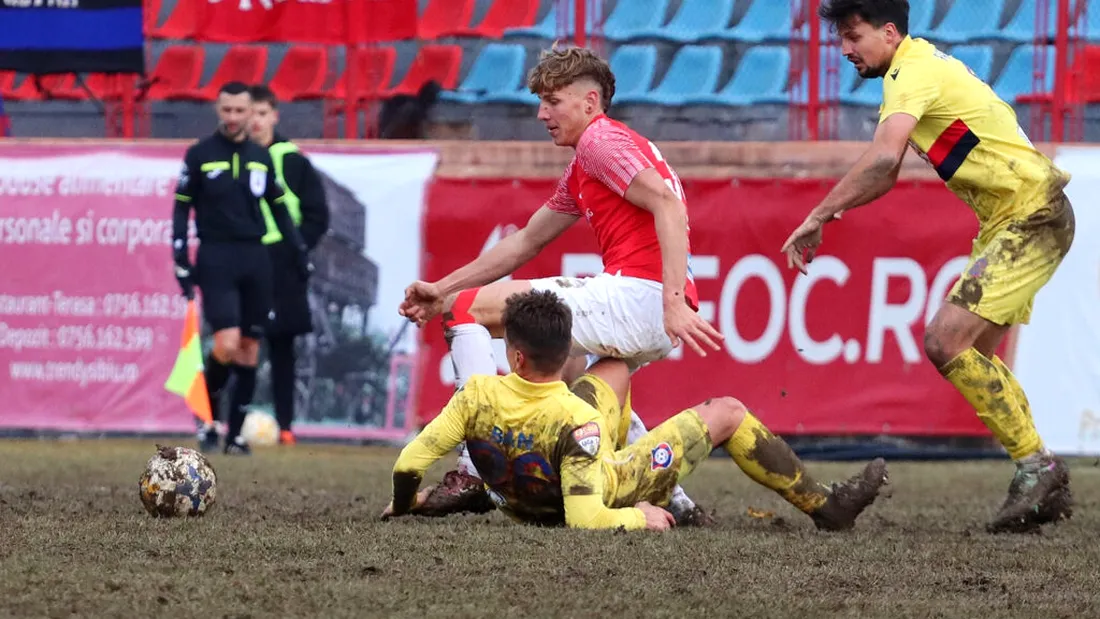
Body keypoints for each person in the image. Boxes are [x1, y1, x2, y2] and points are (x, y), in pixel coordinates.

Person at [780, 0, 1075, 533]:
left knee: (944, 341)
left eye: (853, 36)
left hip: (1031, 215)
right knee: (975, 357)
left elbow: (882, 160)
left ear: (889, 32)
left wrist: (819, 214)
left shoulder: (909, 72)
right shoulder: (918, 65)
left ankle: (1039, 467)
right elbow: (889, 170)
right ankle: (1037, 473)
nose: (844, 50)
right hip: (1015, 218)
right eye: (841, 38)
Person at [399, 47, 723, 525]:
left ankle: (472, 470)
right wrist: (440, 288)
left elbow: (668, 206)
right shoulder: (591, 160)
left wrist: (672, 301)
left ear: (590, 102)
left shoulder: (599, 142)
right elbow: (526, 241)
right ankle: (678, 505)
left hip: (642, 297)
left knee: (466, 311)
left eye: (552, 101)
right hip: (648, 302)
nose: (541, 114)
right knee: (576, 377)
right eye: (541, 102)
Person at [382, 290, 889, 531]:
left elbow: (407, 465)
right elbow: (584, 518)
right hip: (584, 492)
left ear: (514, 356)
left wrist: (405, 505)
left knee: (615, 367)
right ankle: (827, 508)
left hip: (516, 495)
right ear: (565, 352)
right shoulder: (578, 422)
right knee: (728, 412)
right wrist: (636, 516)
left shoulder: (474, 394)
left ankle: (672, 498)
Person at [172, 81, 311, 455]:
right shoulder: (200, 154)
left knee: (249, 348)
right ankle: (206, 417)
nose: (233, 117)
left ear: (251, 113)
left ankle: (233, 435)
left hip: (255, 257)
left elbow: (278, 207)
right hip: (216, 256)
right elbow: (181, 208)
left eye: (240, 111)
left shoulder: (260, 157)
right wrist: (180, 255)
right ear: (218, 110)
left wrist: (298, 251)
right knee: (226, 343)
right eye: (227, 110)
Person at [248, 84, 330, 446]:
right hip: (245, 258)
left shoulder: (292, 160)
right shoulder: (233, 158)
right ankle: (226, 422)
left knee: (282, 346)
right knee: (239, 343)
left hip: (282, 262)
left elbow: (317, 216)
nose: (255, 121)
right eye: (250, 113)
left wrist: (296, 248)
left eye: (262, 113)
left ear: (274, 116)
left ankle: (285, 426)